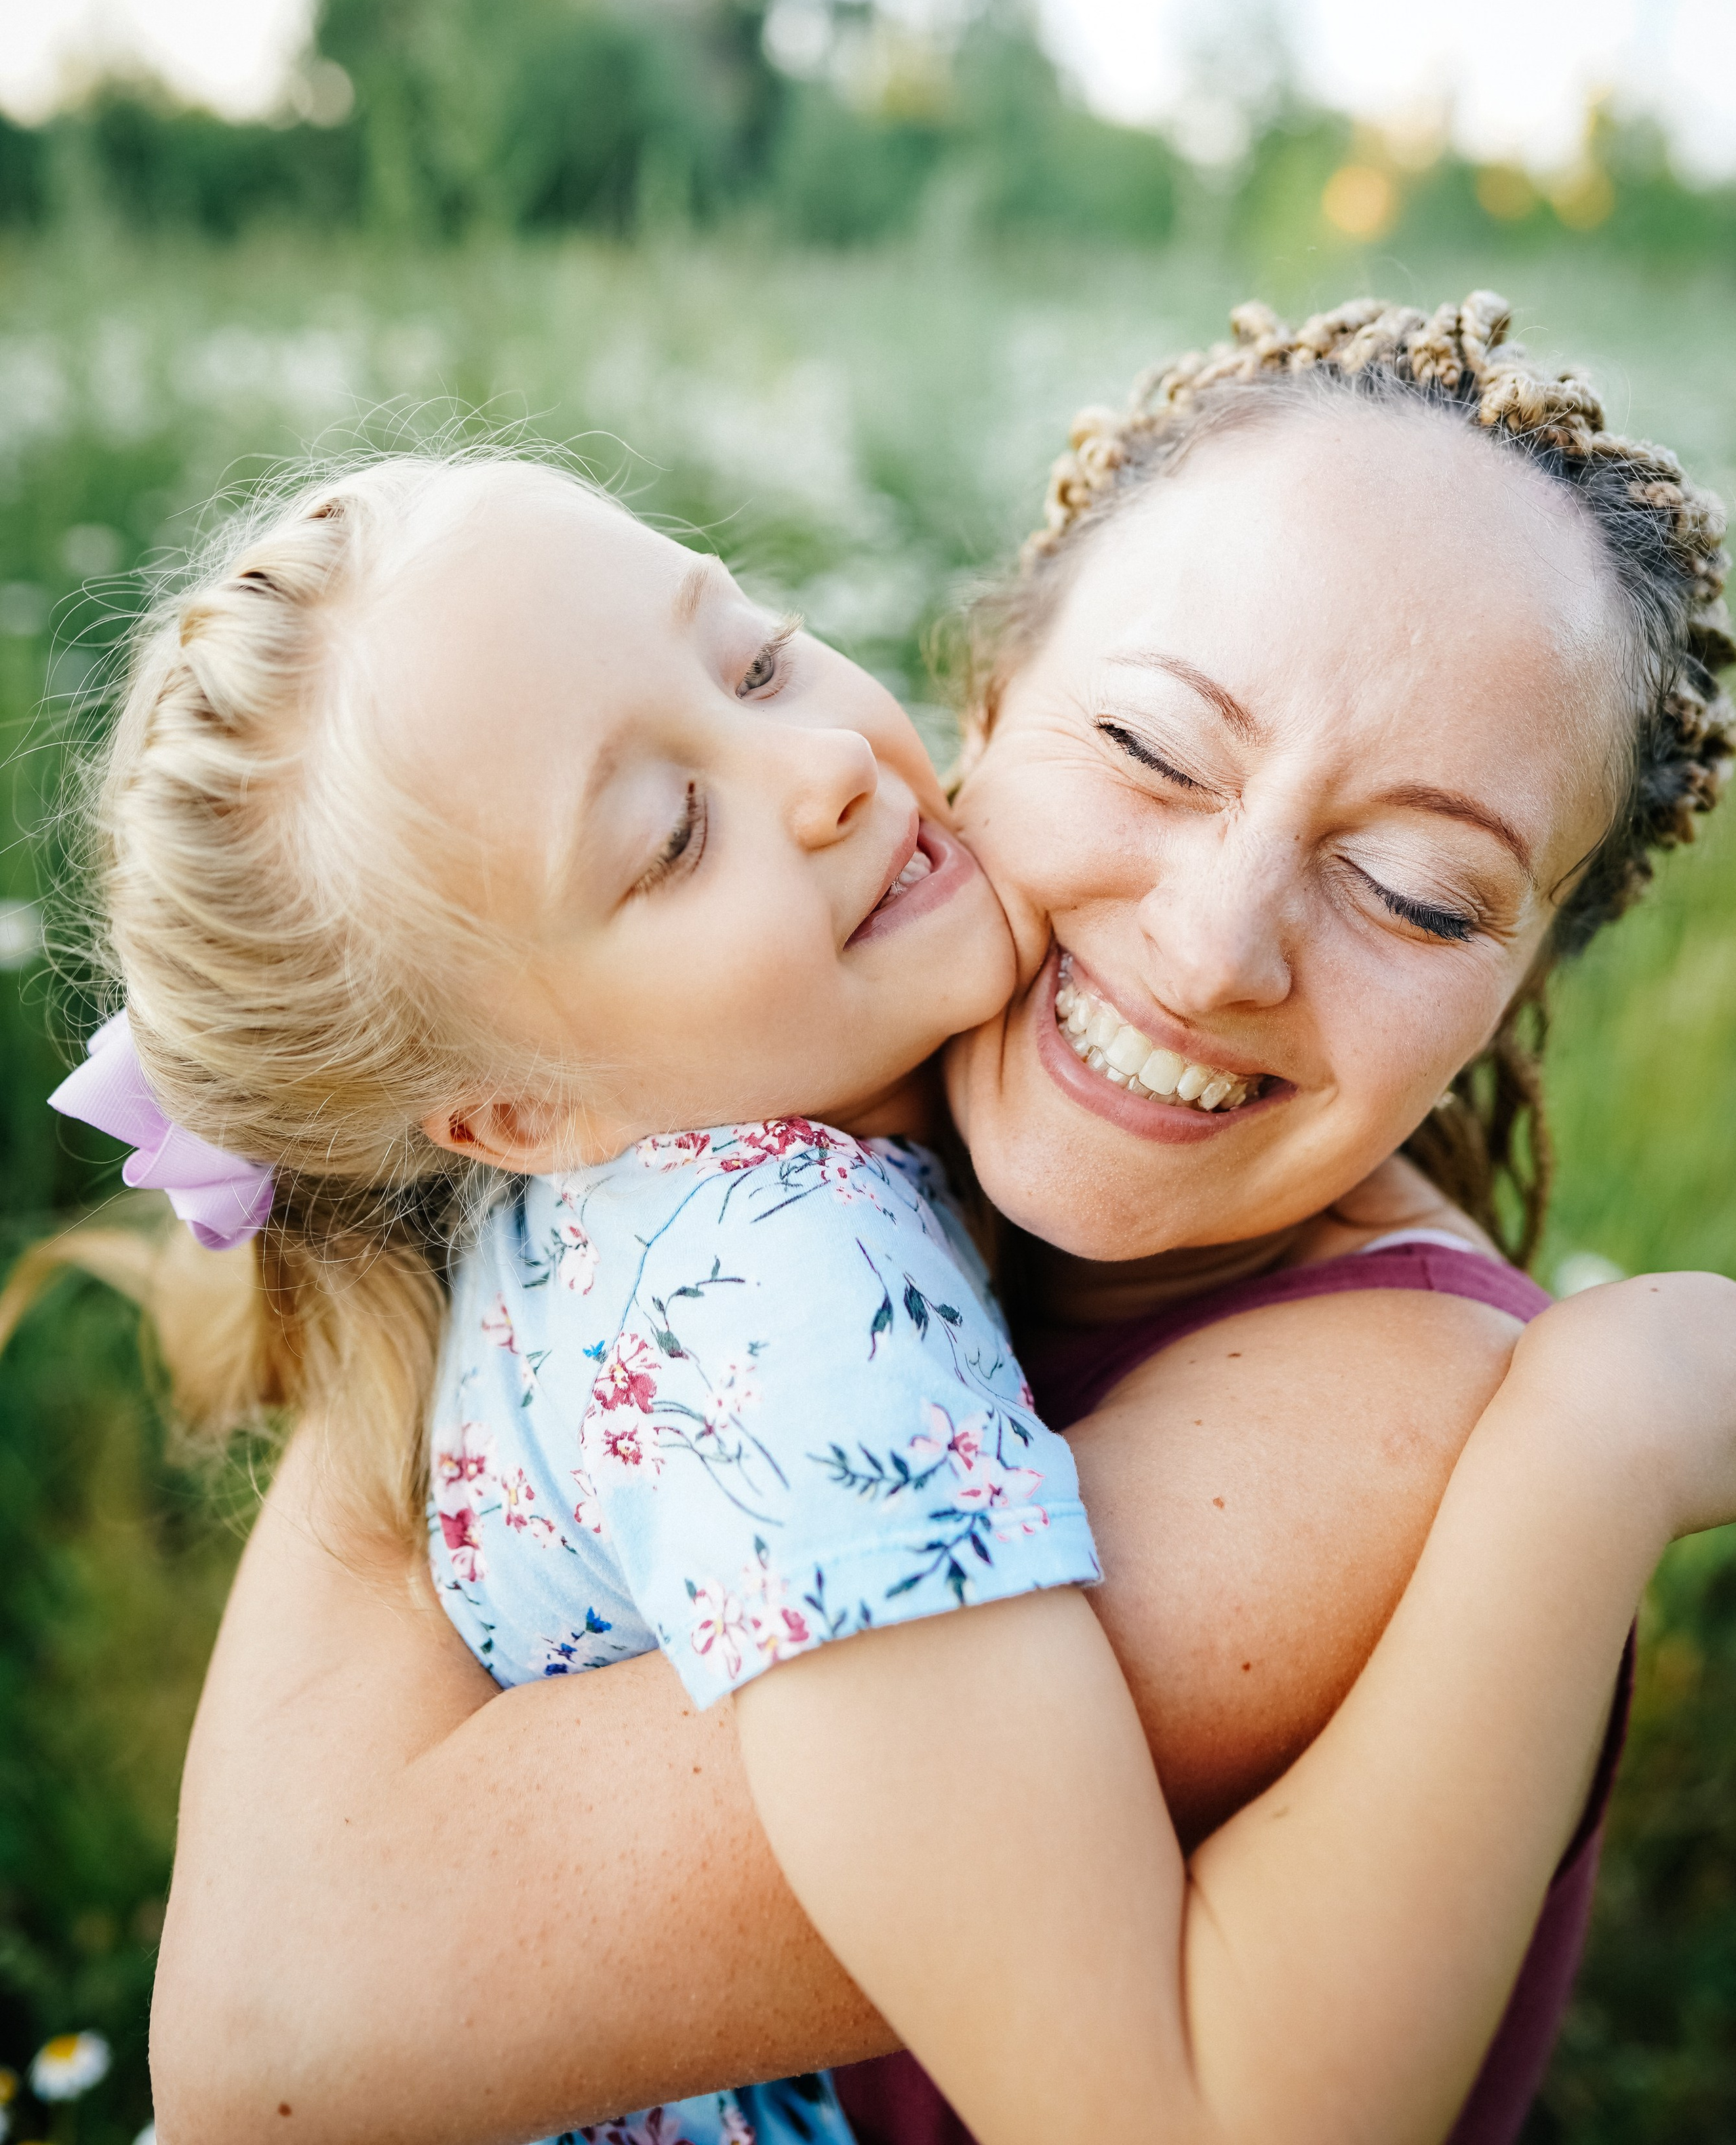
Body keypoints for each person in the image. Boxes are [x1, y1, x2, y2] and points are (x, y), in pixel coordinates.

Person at [110, 292, 1732, 2141]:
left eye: (1417, 894)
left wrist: (1607, 1423)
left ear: (1522, 978)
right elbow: (250, 2044)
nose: (1213, 946)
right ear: (987, 706)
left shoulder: (1352, 1423)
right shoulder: (724, 1168)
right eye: (1150, 746)